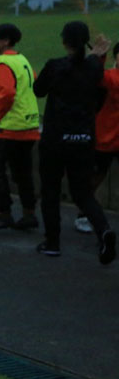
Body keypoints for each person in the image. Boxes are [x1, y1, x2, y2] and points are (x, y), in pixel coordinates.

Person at [32, 22, 115, 263]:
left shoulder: (55, 66)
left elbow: (38, 90)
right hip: (84, 139)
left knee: (50, 191)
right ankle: (104, 231)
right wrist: (96, 57)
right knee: (83, 193)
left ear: (64, 42)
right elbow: (100, 95)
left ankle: (52, 242)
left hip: (55, 140)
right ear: (86, 42)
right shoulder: (93, 69)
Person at [0, 23, 40, 231]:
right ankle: (29, 214)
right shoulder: (22, 60)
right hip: (30, 124)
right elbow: (33, 81)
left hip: (10, 126)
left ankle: (4, 213)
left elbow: (7, 93)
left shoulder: (2, 62)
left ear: (5, 41)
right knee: (22, 172)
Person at [76, 40, 119, 236]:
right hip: (106, 139)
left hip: (107, 138)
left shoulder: (110, 77)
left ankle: (84, 214)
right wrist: (99, 57)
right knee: (95, 178)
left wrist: (98, 56)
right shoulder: (110, 78)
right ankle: (84, 214)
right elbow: (96, 76)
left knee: (95, 178)